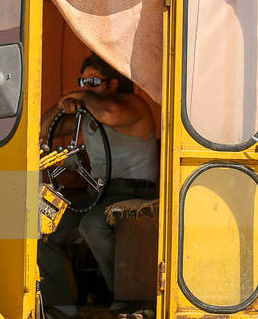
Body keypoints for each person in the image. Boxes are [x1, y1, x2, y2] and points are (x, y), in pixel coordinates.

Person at [38, 54, 158, 318]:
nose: (86, 87)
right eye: (82, 81)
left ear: (113, 84)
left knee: (93, 225)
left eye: (92, 81)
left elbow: (109, 113)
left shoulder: (133, 106)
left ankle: (129, 301)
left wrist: (79, 96)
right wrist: (63, 106)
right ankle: (61, 306)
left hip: (134, 190)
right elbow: (45, 131)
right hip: (97, 193)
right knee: (43, 223)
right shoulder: (88, 113)